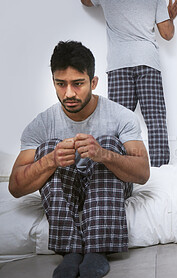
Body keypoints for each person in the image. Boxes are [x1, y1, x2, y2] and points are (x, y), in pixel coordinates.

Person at [8, 40, 150, 278]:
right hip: (67, 187)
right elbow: (15, 187)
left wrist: (103, 154)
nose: (69, 93)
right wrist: (50, 160)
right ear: (53, 82)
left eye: (78, 84)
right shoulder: (42, 123)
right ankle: (71, 251)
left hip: (109, 186)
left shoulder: (120, 116)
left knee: (108, 143)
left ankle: (98, 251)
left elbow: (143, 173)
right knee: (47, 149)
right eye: (61, 84)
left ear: (93, 82)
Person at [81, 0, 177, 167]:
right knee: (155, 120)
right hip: (147, 61)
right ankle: (161, 172)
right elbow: (167, 34)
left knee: (118, 123)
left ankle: (120, 170)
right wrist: (169, 18)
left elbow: (85, 2)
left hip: (119, 64)